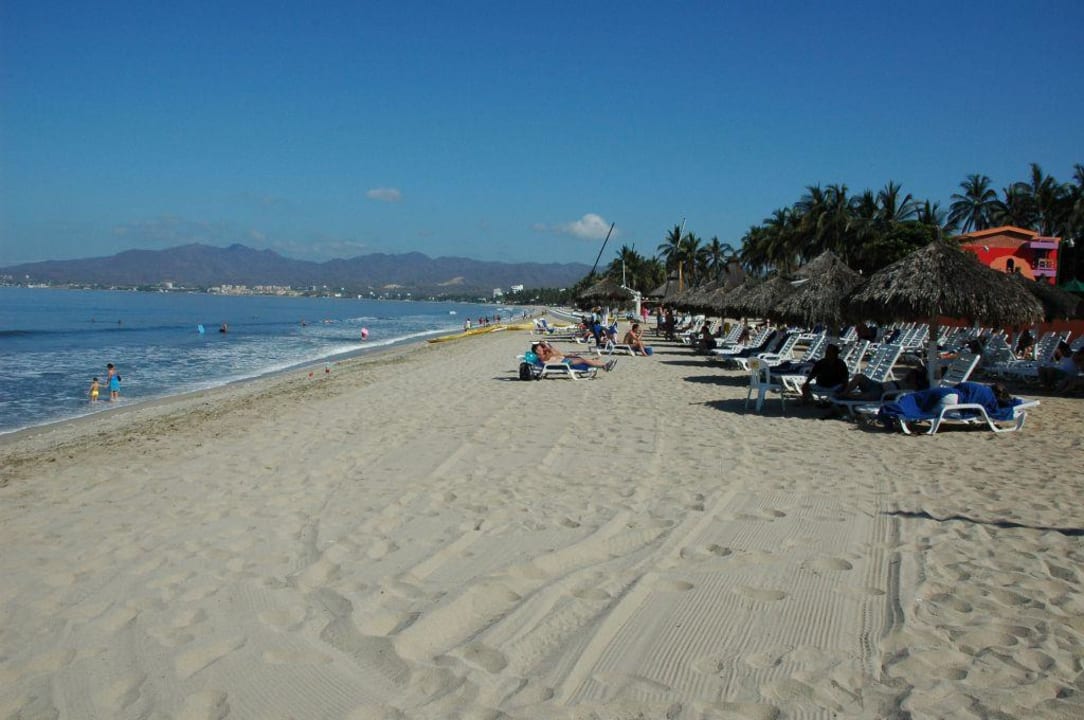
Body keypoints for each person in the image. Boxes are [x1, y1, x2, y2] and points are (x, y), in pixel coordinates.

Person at [836, 366, 926, 401]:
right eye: (910, 373)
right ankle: (845, 393)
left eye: (912, 374)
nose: (909, 374)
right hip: (876, 385)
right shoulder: (904, 381)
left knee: (859, 397)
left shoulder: (912, 388)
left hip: (880, 394)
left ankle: (844, 396)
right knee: (859, 376)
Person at [532, 342, 615, 371]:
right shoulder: (541, 357)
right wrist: (549, 348)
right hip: (563, 363)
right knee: (582, 360)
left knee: (582, 359)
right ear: (537, 351)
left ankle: (604, 365)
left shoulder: (547, 353)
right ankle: (604, 366)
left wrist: (568, 355)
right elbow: (551, 356)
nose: (542, 349)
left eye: (542, 347)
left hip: (564, 360)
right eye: (540, 348)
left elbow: (558, 354)